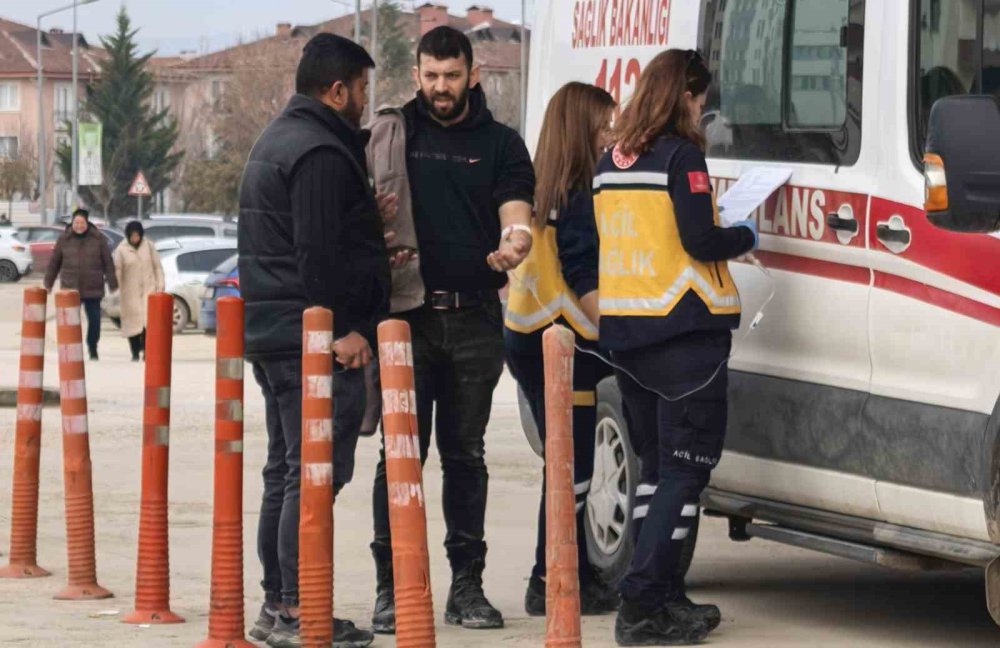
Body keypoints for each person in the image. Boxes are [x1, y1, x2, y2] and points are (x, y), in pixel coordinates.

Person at [369, 25, 535, 634]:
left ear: (473, 75)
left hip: (474, 321)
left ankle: (467, 586)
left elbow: (517, 210)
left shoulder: (501, 144)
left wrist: (515, 243)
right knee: (399, 458)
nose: (441, 88)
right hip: (404, 321)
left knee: (466, 456)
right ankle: (393, 588)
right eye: (431, 76)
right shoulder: (391, 135)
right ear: (416, 75)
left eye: (452, 76)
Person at [592, 50, 758, 646]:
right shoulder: (682, 157)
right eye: (700, 97)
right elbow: (701, 239)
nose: (703, 108)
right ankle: (640, 606)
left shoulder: (609, 161)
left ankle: (659, 596)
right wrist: (746, 232)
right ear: (683, 95)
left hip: (628, 337)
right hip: (684, 338)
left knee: (655, 474)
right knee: (684, 475)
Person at [238, 33, 390, 648]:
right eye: (360, 89)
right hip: (311, 343)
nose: (363, 100)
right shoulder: (321, 151)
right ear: (336, 90)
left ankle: (278, 608)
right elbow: (317, 253)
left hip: (275, 335)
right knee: (311, 478)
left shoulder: (277, 138)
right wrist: (345, 330)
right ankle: (300, 612)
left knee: (286, 473)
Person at [503, 81, 620, 616]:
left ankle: (554, 573)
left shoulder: (542, 183)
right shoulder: (577, 188)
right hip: (563, 343)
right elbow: (581, 269)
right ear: (580, 129)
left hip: (530, 335)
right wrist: (621, 335)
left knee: (563, 464)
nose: (611, 133)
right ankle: (553, 578)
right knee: (572, 468)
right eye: (604, 124)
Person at [44, 208, 118, 360]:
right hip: (70, 288)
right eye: (76, 222)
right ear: (72, 223)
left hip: (93, 288)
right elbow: (54, 263)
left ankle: (92, 347)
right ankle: (71, 350)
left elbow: (108, 263)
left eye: (81, 222)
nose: (79, 225)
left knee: (95, 322)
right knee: (71, 322)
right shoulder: (64, 239)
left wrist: (113, 283)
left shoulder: (98, 239)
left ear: (87, 223)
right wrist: (48, 284)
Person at [112, 221, 163, 361]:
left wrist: (160, 285)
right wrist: (116, 289)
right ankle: (135, 352)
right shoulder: (121, 249)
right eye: (132, 235)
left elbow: (157, 267)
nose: (135, 238)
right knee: (132, 326)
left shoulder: (149, 246)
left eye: (137, 235)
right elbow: (118, 270)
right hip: (130, 293)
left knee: (148, 324)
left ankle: (147, 351)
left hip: (149, 290)